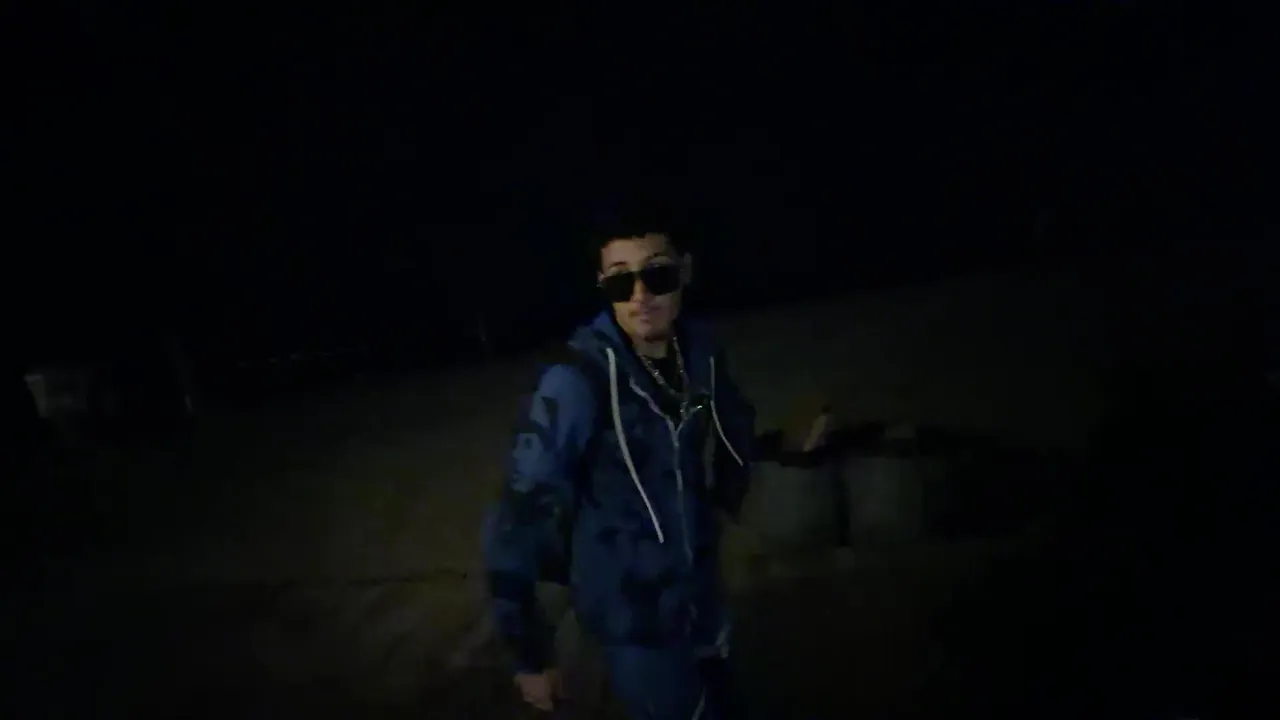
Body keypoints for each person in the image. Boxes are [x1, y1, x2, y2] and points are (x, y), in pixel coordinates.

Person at [483, 228, 756, 719]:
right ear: (602, 285)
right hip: (634, 616)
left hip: (702, 589)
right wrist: (528, 651)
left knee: (726, 698)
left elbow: (734, 418)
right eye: (619, 281)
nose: (640, 295)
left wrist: (726, 497)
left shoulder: (699, 350)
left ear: (685, 271)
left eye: (658, 274)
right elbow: (520, 514)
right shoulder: (574, 382)